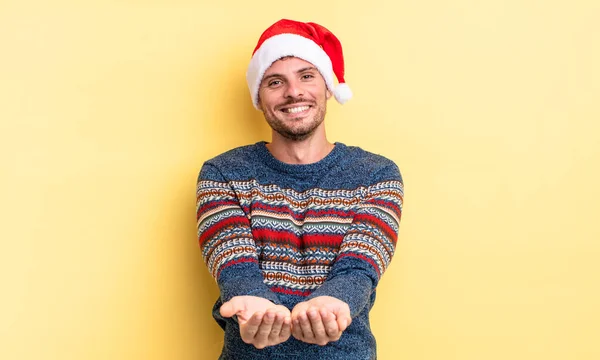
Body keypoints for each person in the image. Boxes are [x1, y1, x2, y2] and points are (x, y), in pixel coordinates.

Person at [196, 19, 404, 360]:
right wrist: (252, 301)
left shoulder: (376, 174)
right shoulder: (223, 173)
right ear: (259, 99)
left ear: (327, 87)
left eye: (306, 76)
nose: (293, 92)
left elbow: (359, 267)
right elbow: (234, 265)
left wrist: (333, 302)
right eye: (275, 82)